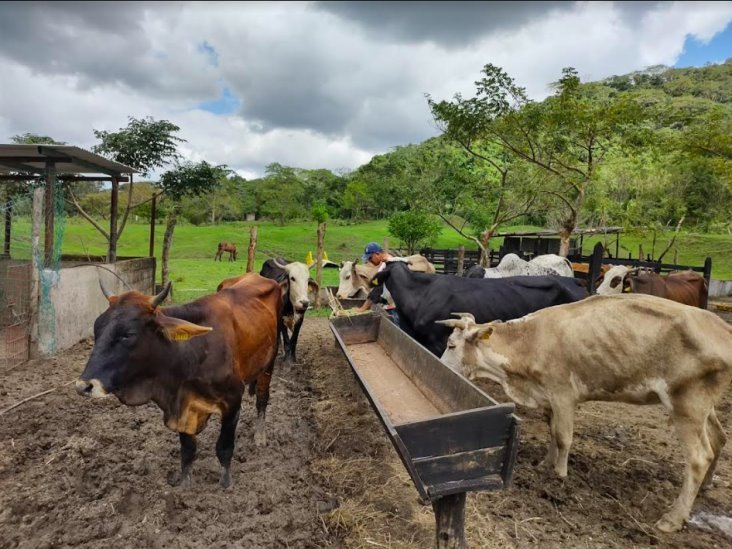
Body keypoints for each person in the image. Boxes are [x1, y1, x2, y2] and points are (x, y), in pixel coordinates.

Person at [353, 243, 399, 325]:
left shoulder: (390, 264)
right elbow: (376, 282)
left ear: (377, 254)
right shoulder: (385, 263)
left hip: (394, 308)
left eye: (370, 258)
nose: (369, 261)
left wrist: (363, 308)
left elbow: (379, 286)